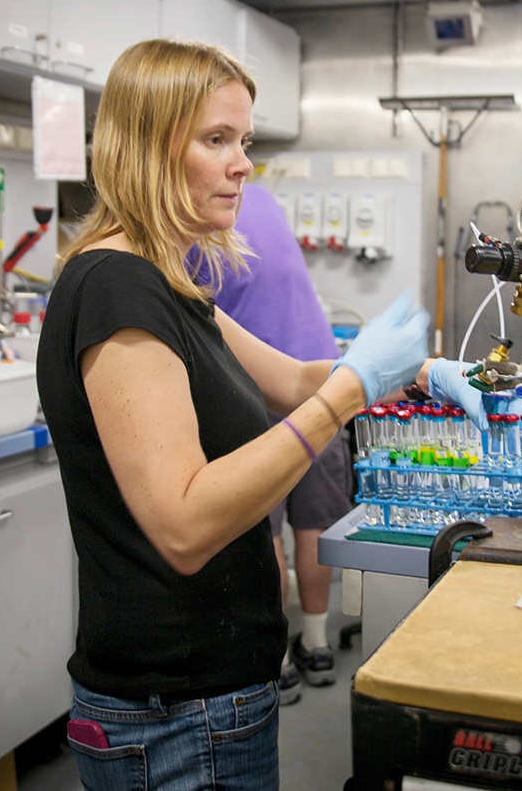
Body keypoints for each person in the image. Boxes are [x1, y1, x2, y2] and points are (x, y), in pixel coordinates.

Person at [37, 38, 484, 789]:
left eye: (243, 141)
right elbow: (183, 524)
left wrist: (412, 372)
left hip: (211, 698)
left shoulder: (167, 278)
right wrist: (349, 390)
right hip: (176, 717)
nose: (243, 163)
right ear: (147, 147)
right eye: (217, 140)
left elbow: (289, 377)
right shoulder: (120, 292)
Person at [202, 182, 350, 699]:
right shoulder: (257, 194)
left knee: (264, 529)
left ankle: (280, 659)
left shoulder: (191, 221)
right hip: (322, 378)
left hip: (259, 386)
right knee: (316, 522)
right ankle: (316, 641)